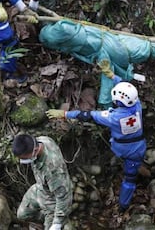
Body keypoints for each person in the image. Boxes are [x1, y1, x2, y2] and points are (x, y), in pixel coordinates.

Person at [46, 59, 146, 213]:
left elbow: (87, 115)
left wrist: (65, 114)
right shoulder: (136, 105)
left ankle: (123, 206)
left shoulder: (113, 117)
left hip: (126, 150)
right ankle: (122, 193)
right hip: (139, 146)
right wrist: (111, 75)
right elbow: (125, 90)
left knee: (129, 180)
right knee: (130, 172)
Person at [12, 134, 72, 230]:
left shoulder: (53, 170)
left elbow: (64, 197)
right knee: (22, 215)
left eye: (24, 158)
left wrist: (57, 223)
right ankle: (42, 220)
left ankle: (61, 222)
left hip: (52, 200)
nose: (21, 161)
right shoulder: (42, 140)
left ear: (35, 151)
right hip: (40, 188)